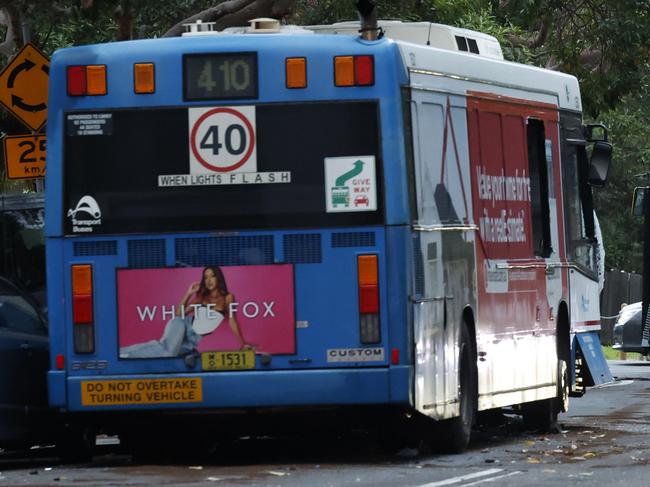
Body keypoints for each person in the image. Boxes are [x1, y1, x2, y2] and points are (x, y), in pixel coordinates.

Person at [120, 266, 251, 358]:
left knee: (162, 348)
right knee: (168, 353)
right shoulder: (201, 297)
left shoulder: (228, 297)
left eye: (212, 276)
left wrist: (242, 343)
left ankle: (122, 352)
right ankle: (123, 355)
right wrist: (188, 293)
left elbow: (232, 321)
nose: (209, 280)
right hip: (182, 325)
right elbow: (178, 314)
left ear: (218, 278)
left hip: (192, 340)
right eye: (206, 277)